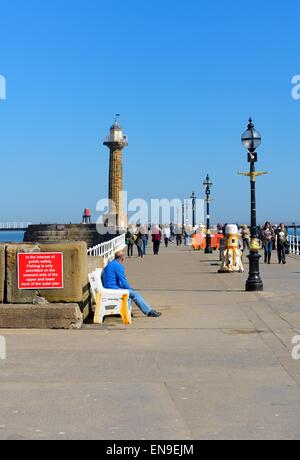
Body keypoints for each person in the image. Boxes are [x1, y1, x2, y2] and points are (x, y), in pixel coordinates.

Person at [102, 252, 162, 317]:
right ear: (122, 258)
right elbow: (123, 281)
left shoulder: (111, 264)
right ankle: (149, 312)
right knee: (135, 294)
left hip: (108, 287)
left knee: (130, 293)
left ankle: (127, 311)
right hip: (112, 289)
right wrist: (130, 288)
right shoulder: (118, 266)